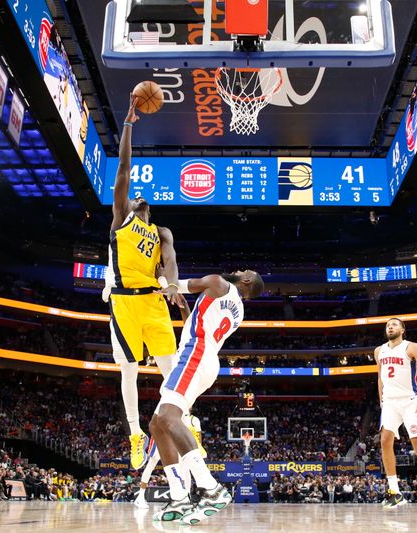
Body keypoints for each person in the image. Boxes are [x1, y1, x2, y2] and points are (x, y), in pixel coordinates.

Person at [102, 94, 186, 470]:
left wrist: (172, 282)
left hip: (153, 301)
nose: (137, 197)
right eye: (133, 196)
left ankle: (181, 420)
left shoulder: (162, 231)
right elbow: (123, 168)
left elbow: (170, 259)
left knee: (172, 369)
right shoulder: (121, 218)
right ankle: (136, 433)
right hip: (123, 303)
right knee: (129, 370)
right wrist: (129, 124)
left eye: (141, 199)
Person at [147, 270, 264, 525]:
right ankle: (179, 496)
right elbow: (200, 321)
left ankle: (209, 488)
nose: (239, 270)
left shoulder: (218, 282)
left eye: (245, 271)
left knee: (168, 417)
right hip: (204, 357)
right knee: (157, 423)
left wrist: (162, 279)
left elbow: (176, 284)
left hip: (195, 353)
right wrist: (183, 307)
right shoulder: (238, 311)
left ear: (246, 281)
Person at [375, 318, 417, 512]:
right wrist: (382, 401)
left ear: (403, 329)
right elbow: (380, 377)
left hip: (410, 400)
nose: (390, 327)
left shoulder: (412, 347)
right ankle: (395, 492)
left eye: (394, 324)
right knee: (385, 441)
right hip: (390, 402)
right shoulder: (379, 351)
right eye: (388, 325)